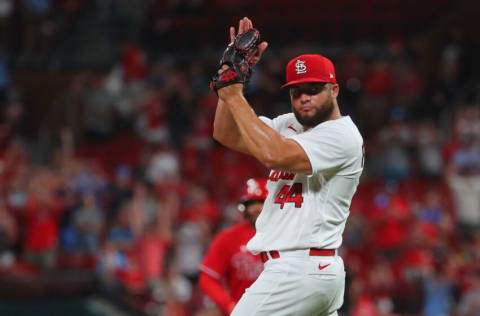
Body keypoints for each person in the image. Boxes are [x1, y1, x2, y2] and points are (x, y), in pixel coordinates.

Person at [212, 17, 364, 316]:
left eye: (313, 89)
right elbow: (225, 133)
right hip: (307, 271)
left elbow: (273, 154)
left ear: (334, 90)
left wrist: (233, 94)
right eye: (296, 91)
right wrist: (234, 77)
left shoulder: (342, 134)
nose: (304, 97)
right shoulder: (288, 124)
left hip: (298, 269)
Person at [199, 178, 267, 314]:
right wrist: (229, 305)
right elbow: (207, 278)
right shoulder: (228, 238)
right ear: (244, 208)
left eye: (262, 202)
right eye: (251, 203)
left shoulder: (289, 236)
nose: (257, 208)